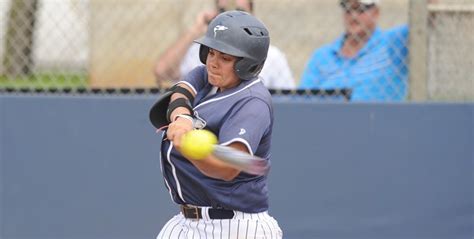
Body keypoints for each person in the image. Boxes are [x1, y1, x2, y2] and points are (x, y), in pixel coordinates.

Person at [149, 10, 283, 238]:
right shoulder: (206, 77)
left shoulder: (252, 102)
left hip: (237, 227)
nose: (213, 63)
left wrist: (188, 146)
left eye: (225, 58)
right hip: (187, 222)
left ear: (248, 64)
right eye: (211, 53)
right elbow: (180, 93)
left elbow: (227, 169)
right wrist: (182, 117)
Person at [154, 0, 295, 90]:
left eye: (240, 11)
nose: (232, 17)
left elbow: (289, 99)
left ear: (252, 14)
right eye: (224, 11)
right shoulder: (203, 49)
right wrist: (196, 31)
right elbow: (162, 72)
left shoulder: (271, 55)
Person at [299, 0, 409, 101]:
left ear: (376, 12)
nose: (353, 16)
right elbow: (303, 101)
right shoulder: (322, 56)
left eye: (360, 9)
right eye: (348, 9)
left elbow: (422, 20)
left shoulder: (392, 43)